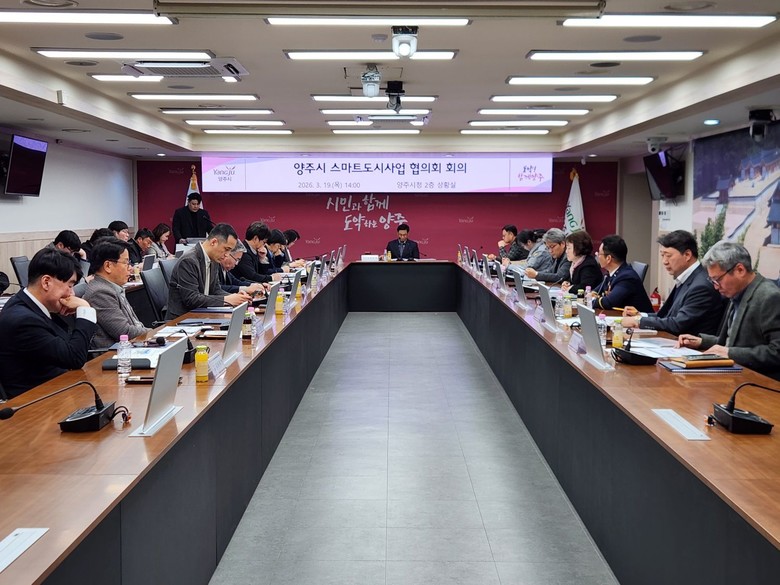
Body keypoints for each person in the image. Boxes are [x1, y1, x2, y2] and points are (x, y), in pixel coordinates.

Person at [0, 248, 97, 398]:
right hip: (35, 402)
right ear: (46, 282)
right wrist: (85, 309)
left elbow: (69, 346)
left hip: (56, 389)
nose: (72, 294)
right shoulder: (23, 320)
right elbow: (74, 357)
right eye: (70, 286)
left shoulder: (32, 305)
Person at [677, 241, 780, 381]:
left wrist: (731, 353)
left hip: (761, 383)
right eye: (712, 281)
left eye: (717, 279)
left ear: (740, 270)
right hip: (736, 378)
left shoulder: (769, 297)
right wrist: (702, 341)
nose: (715, 287)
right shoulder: (737, 292)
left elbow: (777, 352)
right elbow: (735, 341)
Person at [622, 230, 724, 335]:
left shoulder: (701, 286)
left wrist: (638, 322)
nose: (664, 261)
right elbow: (666, 315)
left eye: (668, 256)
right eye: (662, 255)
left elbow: (677, 324)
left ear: (687, 255)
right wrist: (640, 316)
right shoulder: (686, 278)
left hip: (687, 343)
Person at [166, 222, 251, 319]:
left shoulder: (214, 259)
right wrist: (227, 299)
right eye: (226, 249)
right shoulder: (189, 260)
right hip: (182, 319)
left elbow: (215, 290)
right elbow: (191, 299)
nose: (227, 255)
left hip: (202, 316)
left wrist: (235, 297)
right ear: (214, 242)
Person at [83, 238, 150, 349]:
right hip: (117, 353)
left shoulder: (111, 286)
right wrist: (155, 332)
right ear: (108, 266)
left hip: (133, 345)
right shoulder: (100, 293)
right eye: (126, 263)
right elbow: (125, 332)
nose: (130, 268)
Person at [592, 234, 654, 312]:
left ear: (608, 258)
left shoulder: (627, 277)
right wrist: (592, 295)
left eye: (599, 253)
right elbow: (596, 291)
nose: (597, 255)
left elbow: (608, 302)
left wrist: (591, 300)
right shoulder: (611, 273)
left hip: (639, 319)